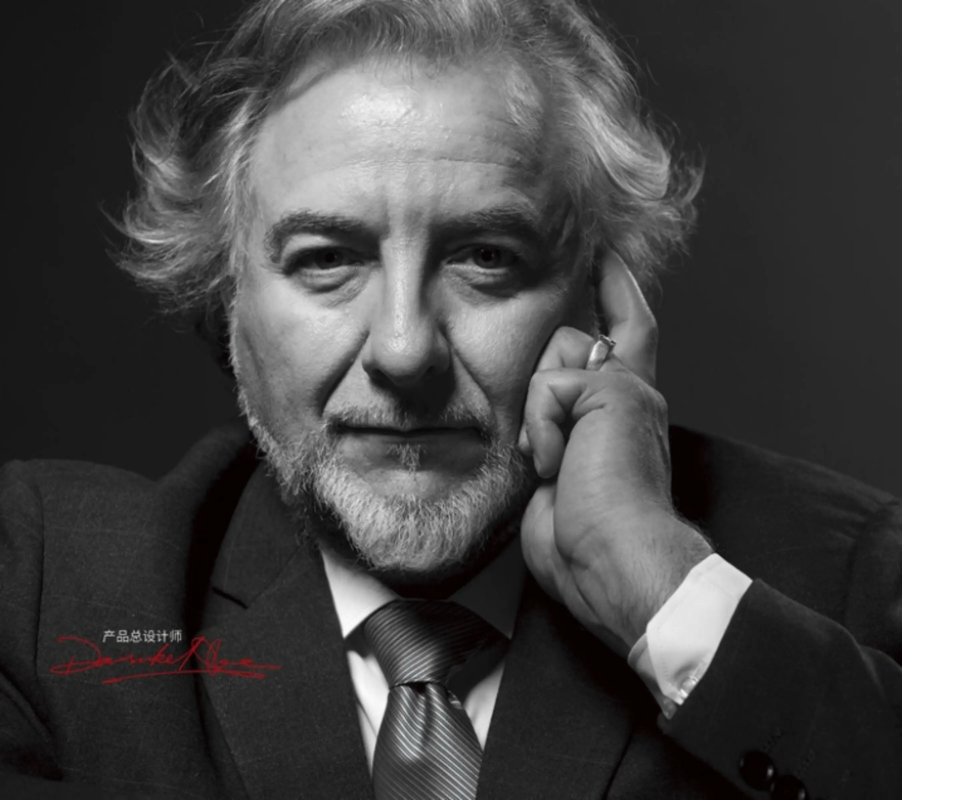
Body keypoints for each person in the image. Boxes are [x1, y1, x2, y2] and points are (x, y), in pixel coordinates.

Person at [0, 0, 900, 798]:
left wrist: (658, 591)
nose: (404, 350)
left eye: (485, 258)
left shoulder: (846, 582)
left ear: (601, 296)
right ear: (224, 293)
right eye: (327, 259)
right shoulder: (40, 586)